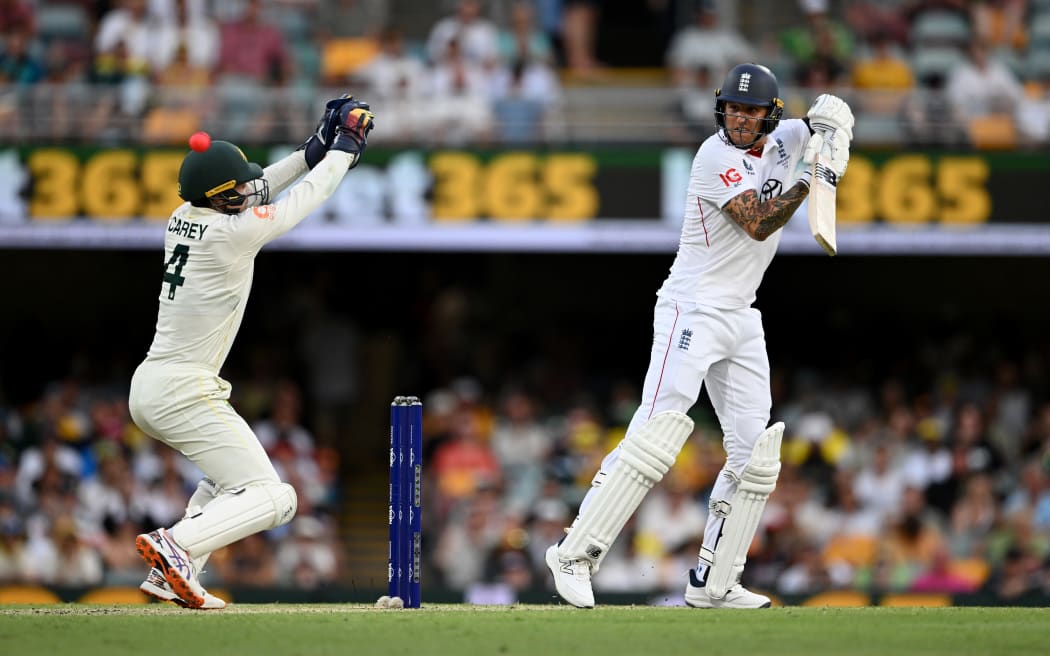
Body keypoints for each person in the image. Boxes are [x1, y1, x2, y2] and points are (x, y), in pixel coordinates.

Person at [544, 63, 854, 609]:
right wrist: (813, 178)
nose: (739, 120)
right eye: (733, 110)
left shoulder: (787, 136)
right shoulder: (714, 157)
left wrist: (834, 128)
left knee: (754, 453)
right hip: (692, 309)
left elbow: (831, 116)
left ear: (770, 114)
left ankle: (714, 581)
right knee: (657, 430)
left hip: (741, 313)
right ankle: (573, 553)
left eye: (751, 112)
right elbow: (758, 221)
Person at [128, 96, 375, 609]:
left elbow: (258, 187)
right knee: (274, 497)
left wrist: (313, 147)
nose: (247, 189)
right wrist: (343, 152)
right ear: (220, 198)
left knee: (226, 482)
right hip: (183, 388)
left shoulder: (184, 215)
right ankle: (176, 544)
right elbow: (307, 196)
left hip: (154, 382)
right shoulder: (233, 234)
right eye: (236, 187)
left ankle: (178, 568)